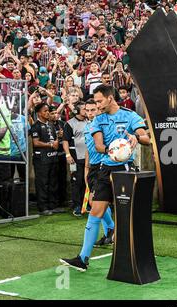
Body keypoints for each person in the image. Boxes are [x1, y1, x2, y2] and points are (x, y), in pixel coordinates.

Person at [60, 84, 149, 271]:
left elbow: (146, 138)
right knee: (95, 212)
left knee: (128, 215)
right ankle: (83, 259)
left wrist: (135, 137)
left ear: (110, 98)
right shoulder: (97, 120)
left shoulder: (130, 115)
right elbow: (99, 146)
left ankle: (135, 256)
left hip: (125, 170)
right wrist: (114, 149)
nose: (96, 105)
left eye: (99, 101)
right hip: (105, 169)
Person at [83, 99, 115, 246]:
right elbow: (88, 149)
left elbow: (102, 146)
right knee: (99, 203)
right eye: (87, 110)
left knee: (94, 201)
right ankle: (109, 231)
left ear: (99, 109)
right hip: (92, 168)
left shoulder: (102, 125)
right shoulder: (87, 126)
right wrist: (86, 168)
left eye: (93, 110)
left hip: (102, 167)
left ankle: (112, 229)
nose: (90, 113)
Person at [29, 103, 59, 215]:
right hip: (41, 159)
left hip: (53, 157)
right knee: (43, 183)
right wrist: (51, 145)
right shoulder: (35, 126)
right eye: (45, 111)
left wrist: (56, 141)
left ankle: (53, 205)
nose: (47, 113)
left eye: (48, 111)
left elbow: (55, 139)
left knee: (53, 182)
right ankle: (43, 207)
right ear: (38, 113)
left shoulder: (51, 124)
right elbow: (36, 143)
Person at [62, 102, 88, 217]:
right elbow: (65, 140)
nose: (87, 110)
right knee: (76, 181)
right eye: (84, 109)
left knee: (86, 181)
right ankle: (77, 205)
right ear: (77, 111)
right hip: (75, 157)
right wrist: (68, 155)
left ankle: (85, 204)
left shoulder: (90, 121)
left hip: (87, 157)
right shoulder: (70, 124)